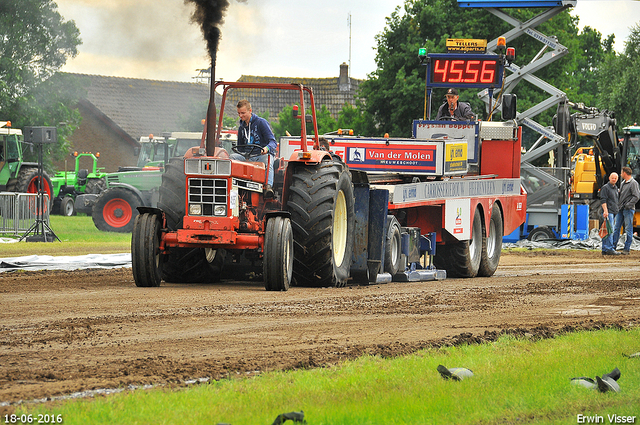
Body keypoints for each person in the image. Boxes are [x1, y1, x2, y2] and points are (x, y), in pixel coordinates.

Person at [231, 99, 277, 198]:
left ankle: (268, 187)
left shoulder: (261, 123)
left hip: (260, 155)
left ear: (250, 110)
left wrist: (266, 148)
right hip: (247, 156)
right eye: (239, 113)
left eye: (243, 113)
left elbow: (273, 142)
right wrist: (240, 153)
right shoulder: (241, 128)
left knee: (267, 159)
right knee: (232, 158)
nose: (240, 116)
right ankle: (232, 184)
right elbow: (240, 147)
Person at [613, 166, 640, 254]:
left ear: (625, 173)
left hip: (628, 210)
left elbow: (636, 196)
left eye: (621, 172)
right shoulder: (623, 183)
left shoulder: (633, 183)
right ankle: (613, 246)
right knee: (616, 228)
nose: (620, 174)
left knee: (628, 228)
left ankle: (626, 248)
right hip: (621, 209)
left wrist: (628, 205)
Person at [600, 172, 620, 255]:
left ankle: (605, 249)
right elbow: (603, 200)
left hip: (614, 211)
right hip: (608, 212)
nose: (614, 179)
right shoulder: (605, 188)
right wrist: (605, 211)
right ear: (609, 178)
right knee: (609, 230)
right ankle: (609, 248)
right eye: (613, 178)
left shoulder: (615, 188)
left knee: (607, 230)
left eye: (615, 178)